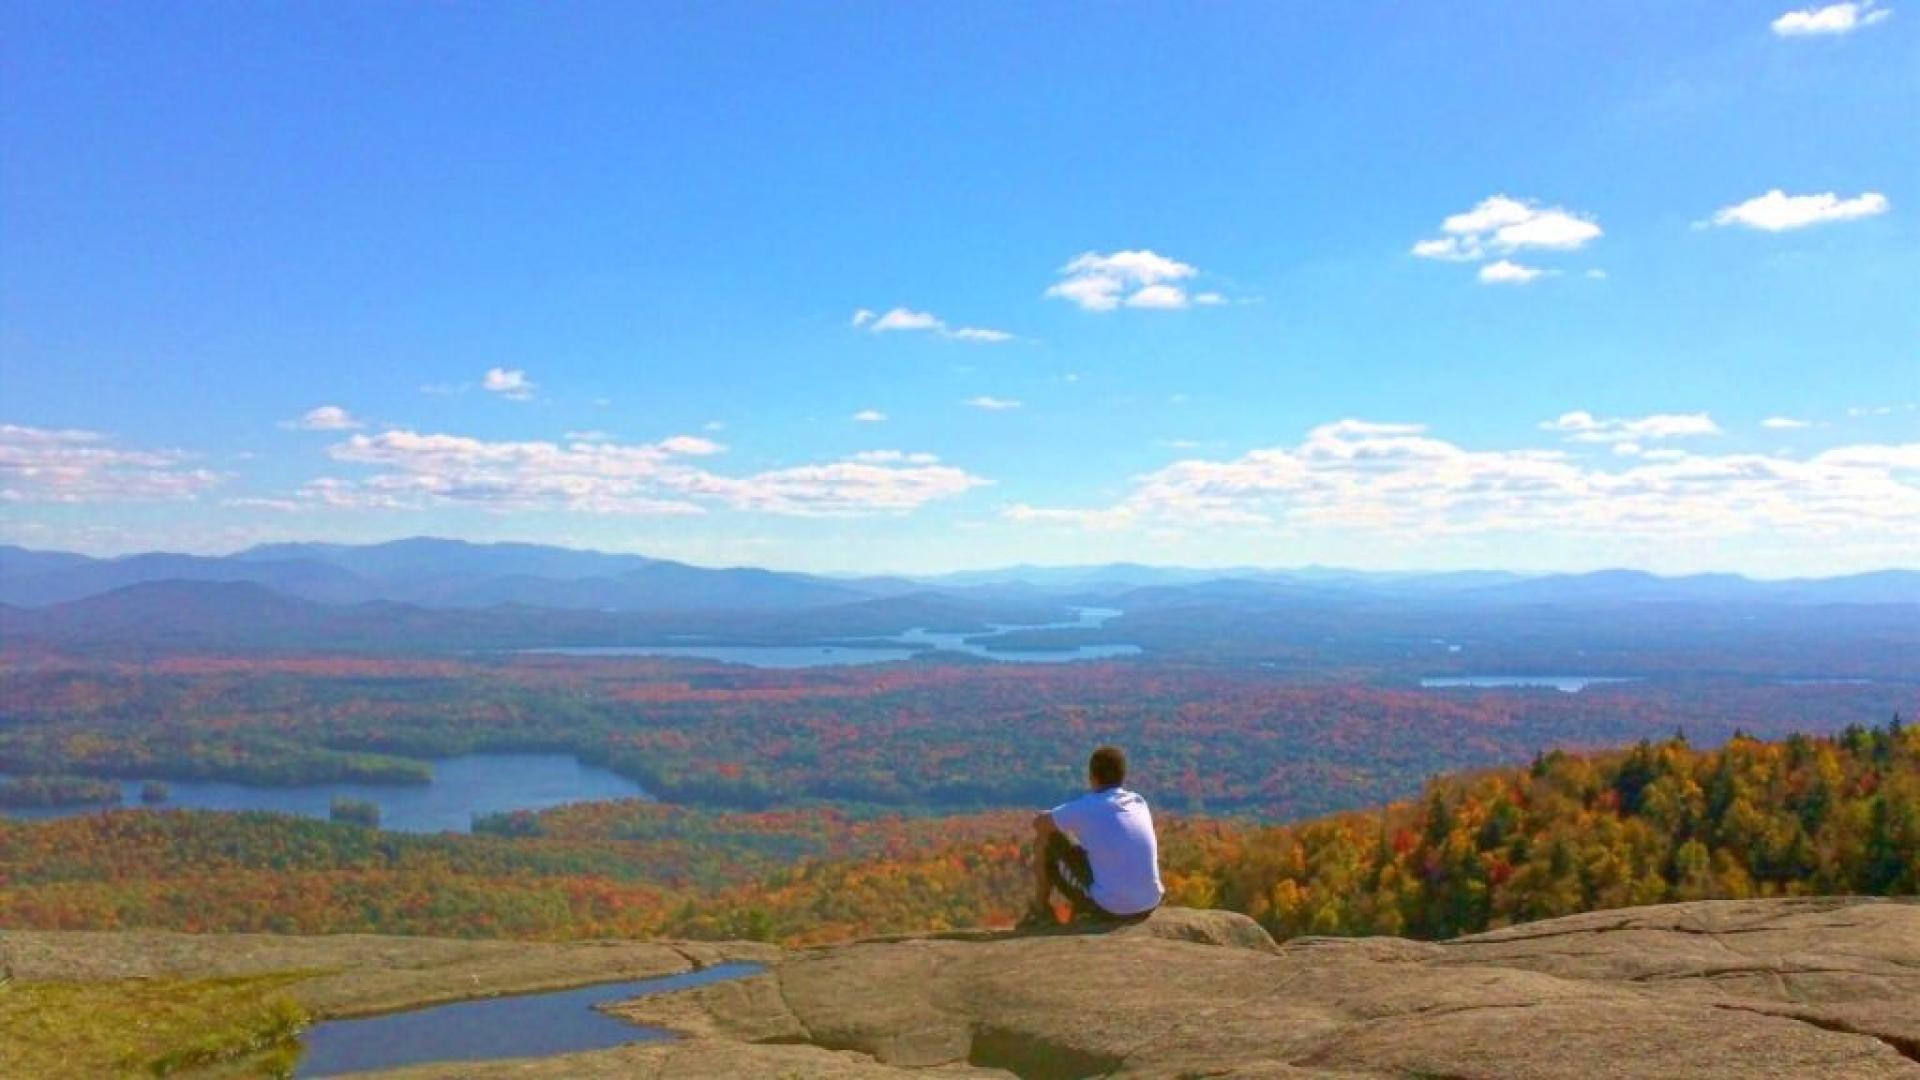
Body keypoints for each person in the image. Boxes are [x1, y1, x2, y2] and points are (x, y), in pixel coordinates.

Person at [1021, 744, 1164, 928]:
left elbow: (1040, 823)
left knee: (1048, 838)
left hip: (1110, 908)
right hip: (1149, 902)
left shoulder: (1087, 806)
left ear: (1092, 777)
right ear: (1122, 777)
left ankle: (1040, 909)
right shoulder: (1138, 802)